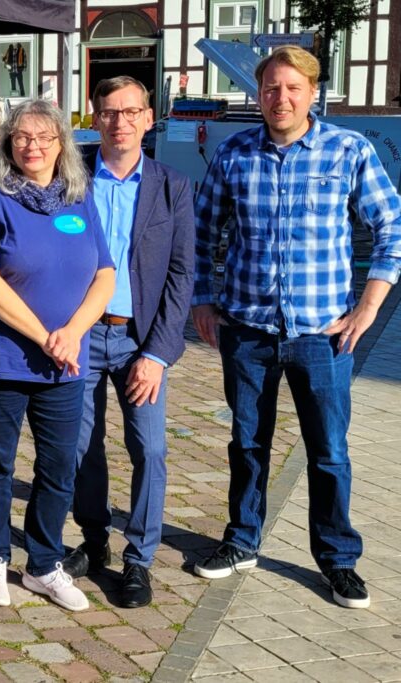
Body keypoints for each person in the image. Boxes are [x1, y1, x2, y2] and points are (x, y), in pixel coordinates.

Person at [192, 46, 401, 610]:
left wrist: (368, 309)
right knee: (247, 442)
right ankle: (241, 541)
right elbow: (201, 230)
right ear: (257, 95)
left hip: (323, 337)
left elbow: (392, 228)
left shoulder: (348, 150)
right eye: (269, 89)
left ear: (312, 92)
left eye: (291, 88)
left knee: (328, 451)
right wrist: (203, 300)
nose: (279, 99)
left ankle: (338, 560)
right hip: (248, 333)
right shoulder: (236, 153)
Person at [0, 99, 115, 610]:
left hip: (67, 361)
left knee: (57, 467)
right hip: (1, 356)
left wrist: (70, 332)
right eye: (23, 136)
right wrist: (44, 334)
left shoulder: (79, 194)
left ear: (61, 144)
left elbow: (105, 275)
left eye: (46, 138)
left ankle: (44, 563)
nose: (33, 146)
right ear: (8, 141)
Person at [65, 76, 194, 609]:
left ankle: (138, 558)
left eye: (130, 111)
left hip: (141, 338)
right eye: (109, 112)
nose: (119, 121)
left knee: (151, 448)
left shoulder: (171, 186)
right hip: (83, 335)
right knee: (79, 447)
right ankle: (93, 543)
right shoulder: (72, 181)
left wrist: (159, 354)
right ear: (95, 118)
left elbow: (182, 273)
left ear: (148, 118)